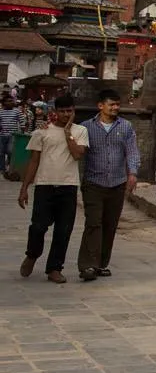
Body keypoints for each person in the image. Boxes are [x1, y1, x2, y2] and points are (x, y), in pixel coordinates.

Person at [16, 94, 89, 284]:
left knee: (63, 230)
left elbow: (77, 154)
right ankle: (32, 254)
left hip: (68, 186)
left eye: (70, 111)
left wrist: (67, 133)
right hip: (44, 185)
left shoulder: (80, 131)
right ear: (55, 112)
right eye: (63, 111)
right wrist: (24, 188)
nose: (66, 114)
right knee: (38, 226)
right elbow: (33, 161)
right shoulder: (42, 132)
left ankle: (55, 268)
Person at [77, 89, 140, 281]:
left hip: (117, 182)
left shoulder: (126, 127)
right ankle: (88, 265)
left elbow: (132, 151)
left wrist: (133, 173)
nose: (115, 108)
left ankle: (102, 264)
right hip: (93, 183)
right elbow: (79, 154)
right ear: (100, 106)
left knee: (110, 224)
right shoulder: (85, 127)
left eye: (117, 105)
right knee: (93, 223)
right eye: (111, 104)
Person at [0, 93, 21, 181]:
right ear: (4, 103)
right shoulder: (0, 112)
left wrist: (23, 129)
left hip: (12, 135)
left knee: (10, 151)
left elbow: (22, 120)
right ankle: (2, 169)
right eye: (8, 101)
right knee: (1, 153)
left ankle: (10, 167)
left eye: (11, 101)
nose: (11, 102)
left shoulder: (17, 111)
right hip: (1, 135)